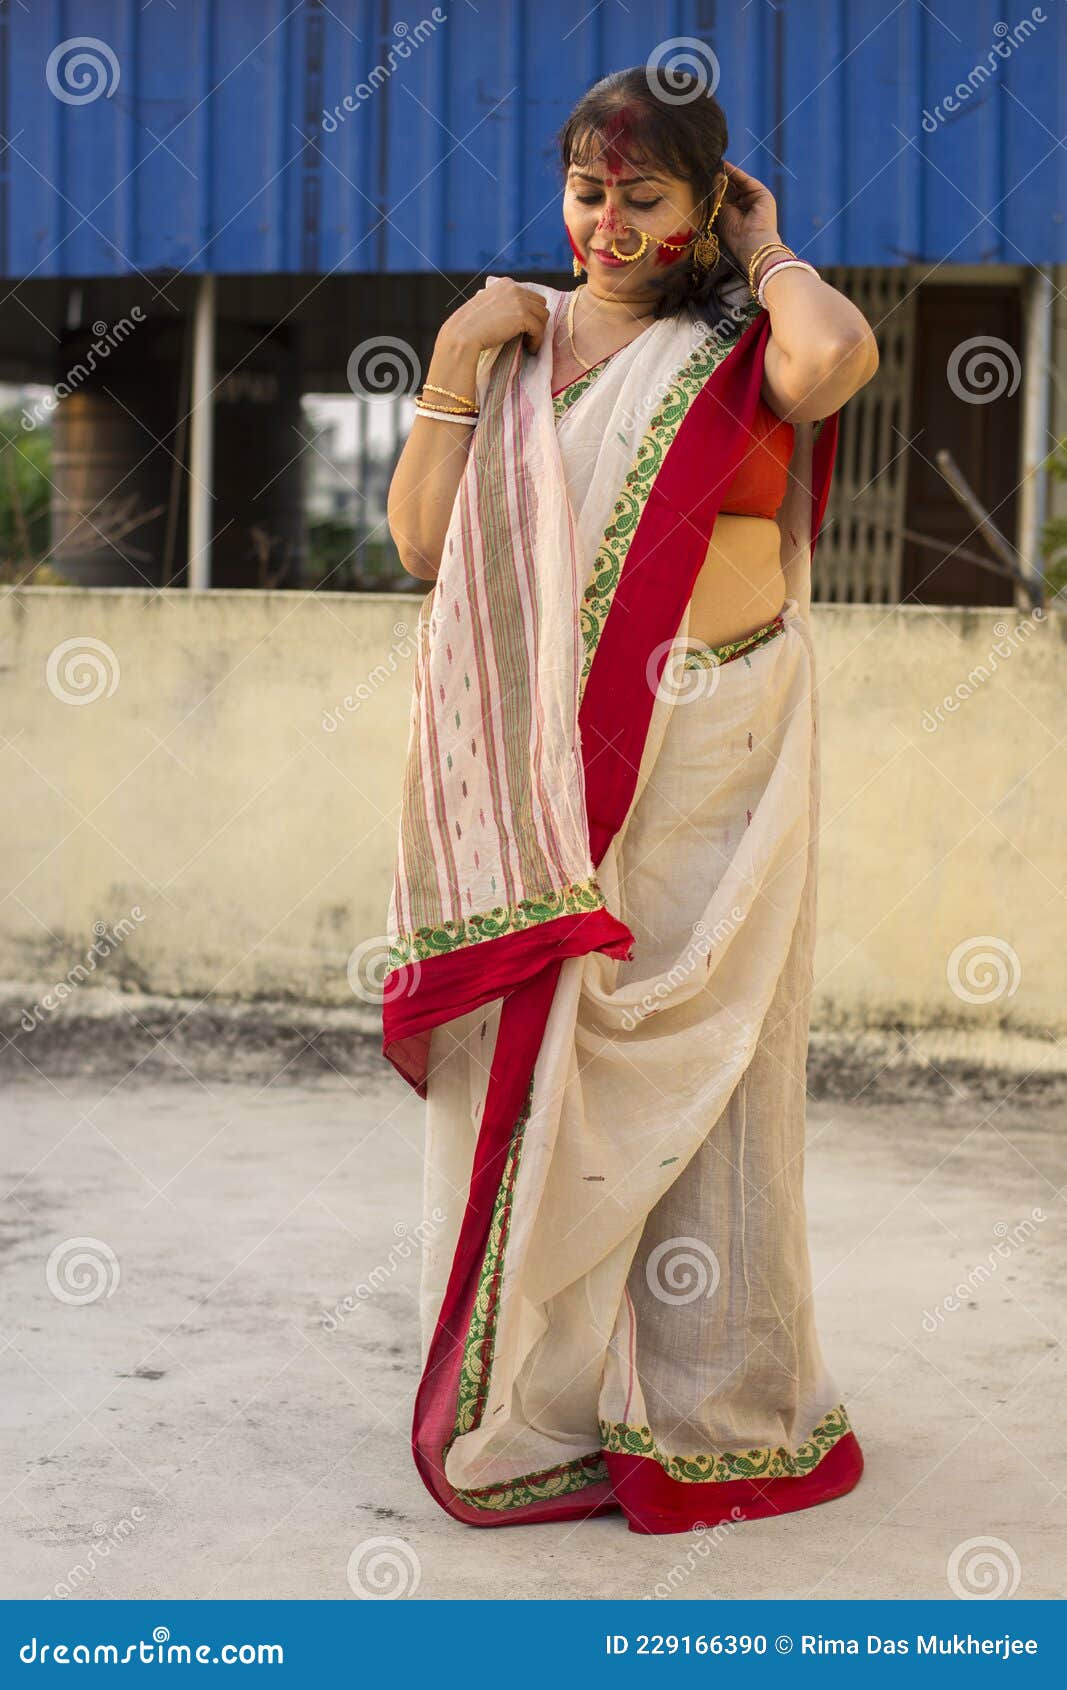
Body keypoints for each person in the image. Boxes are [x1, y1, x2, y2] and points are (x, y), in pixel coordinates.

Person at [382, 64, 879, 1535]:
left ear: (707, 205)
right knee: (559, 1077)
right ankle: (539, 1399)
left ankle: (713, 1408)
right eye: (587, 190)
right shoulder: (521, 351)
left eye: (644, 195)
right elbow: (421, 540)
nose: (606, 222)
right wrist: (462, 354)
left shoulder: (741, 338)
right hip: (562, 789)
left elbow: (837, 356)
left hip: (725, 760)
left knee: (714, 1079)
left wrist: (770, 248)